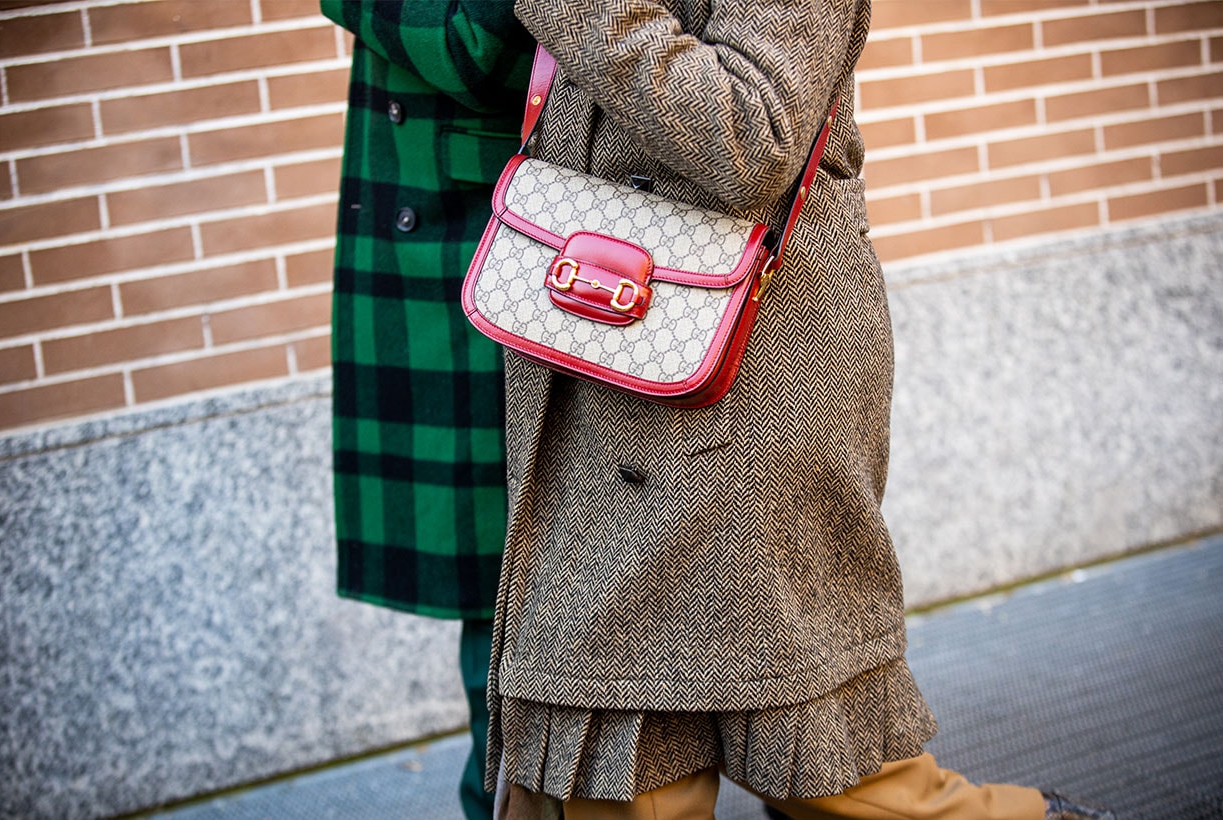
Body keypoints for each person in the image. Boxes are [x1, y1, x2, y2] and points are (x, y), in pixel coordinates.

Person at [482, 1, 1117, 819]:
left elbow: (753, 132)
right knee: (612, 737)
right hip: (603, 339)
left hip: (755, 366)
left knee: (814, 741)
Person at [318, 3, 532, 818]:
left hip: (500, 249)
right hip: (454, 248)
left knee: (518, 600)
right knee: (498, 603)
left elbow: (471, 42)